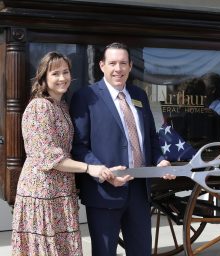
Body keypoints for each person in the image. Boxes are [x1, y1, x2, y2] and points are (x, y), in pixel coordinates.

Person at [11, 52, 121, 255]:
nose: (62, 78)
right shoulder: (40, 107)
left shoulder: (61, 105)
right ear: (43, 77)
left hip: (61, 190)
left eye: (66, 72)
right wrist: (90, 168)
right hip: (42, 191)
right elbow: (49, 156)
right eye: (55, 73)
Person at [70, 42, 172, 256]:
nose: (118, 68)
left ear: (130, 65)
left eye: (123, 63)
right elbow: (78, 146)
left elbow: (150, 138)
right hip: (104, 191)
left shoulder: (139, 95)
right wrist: (103, 172)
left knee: (141, 251)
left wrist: (160, 160)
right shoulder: (85, 97)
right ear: (102, 65)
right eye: (113, 63)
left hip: (139, 191)